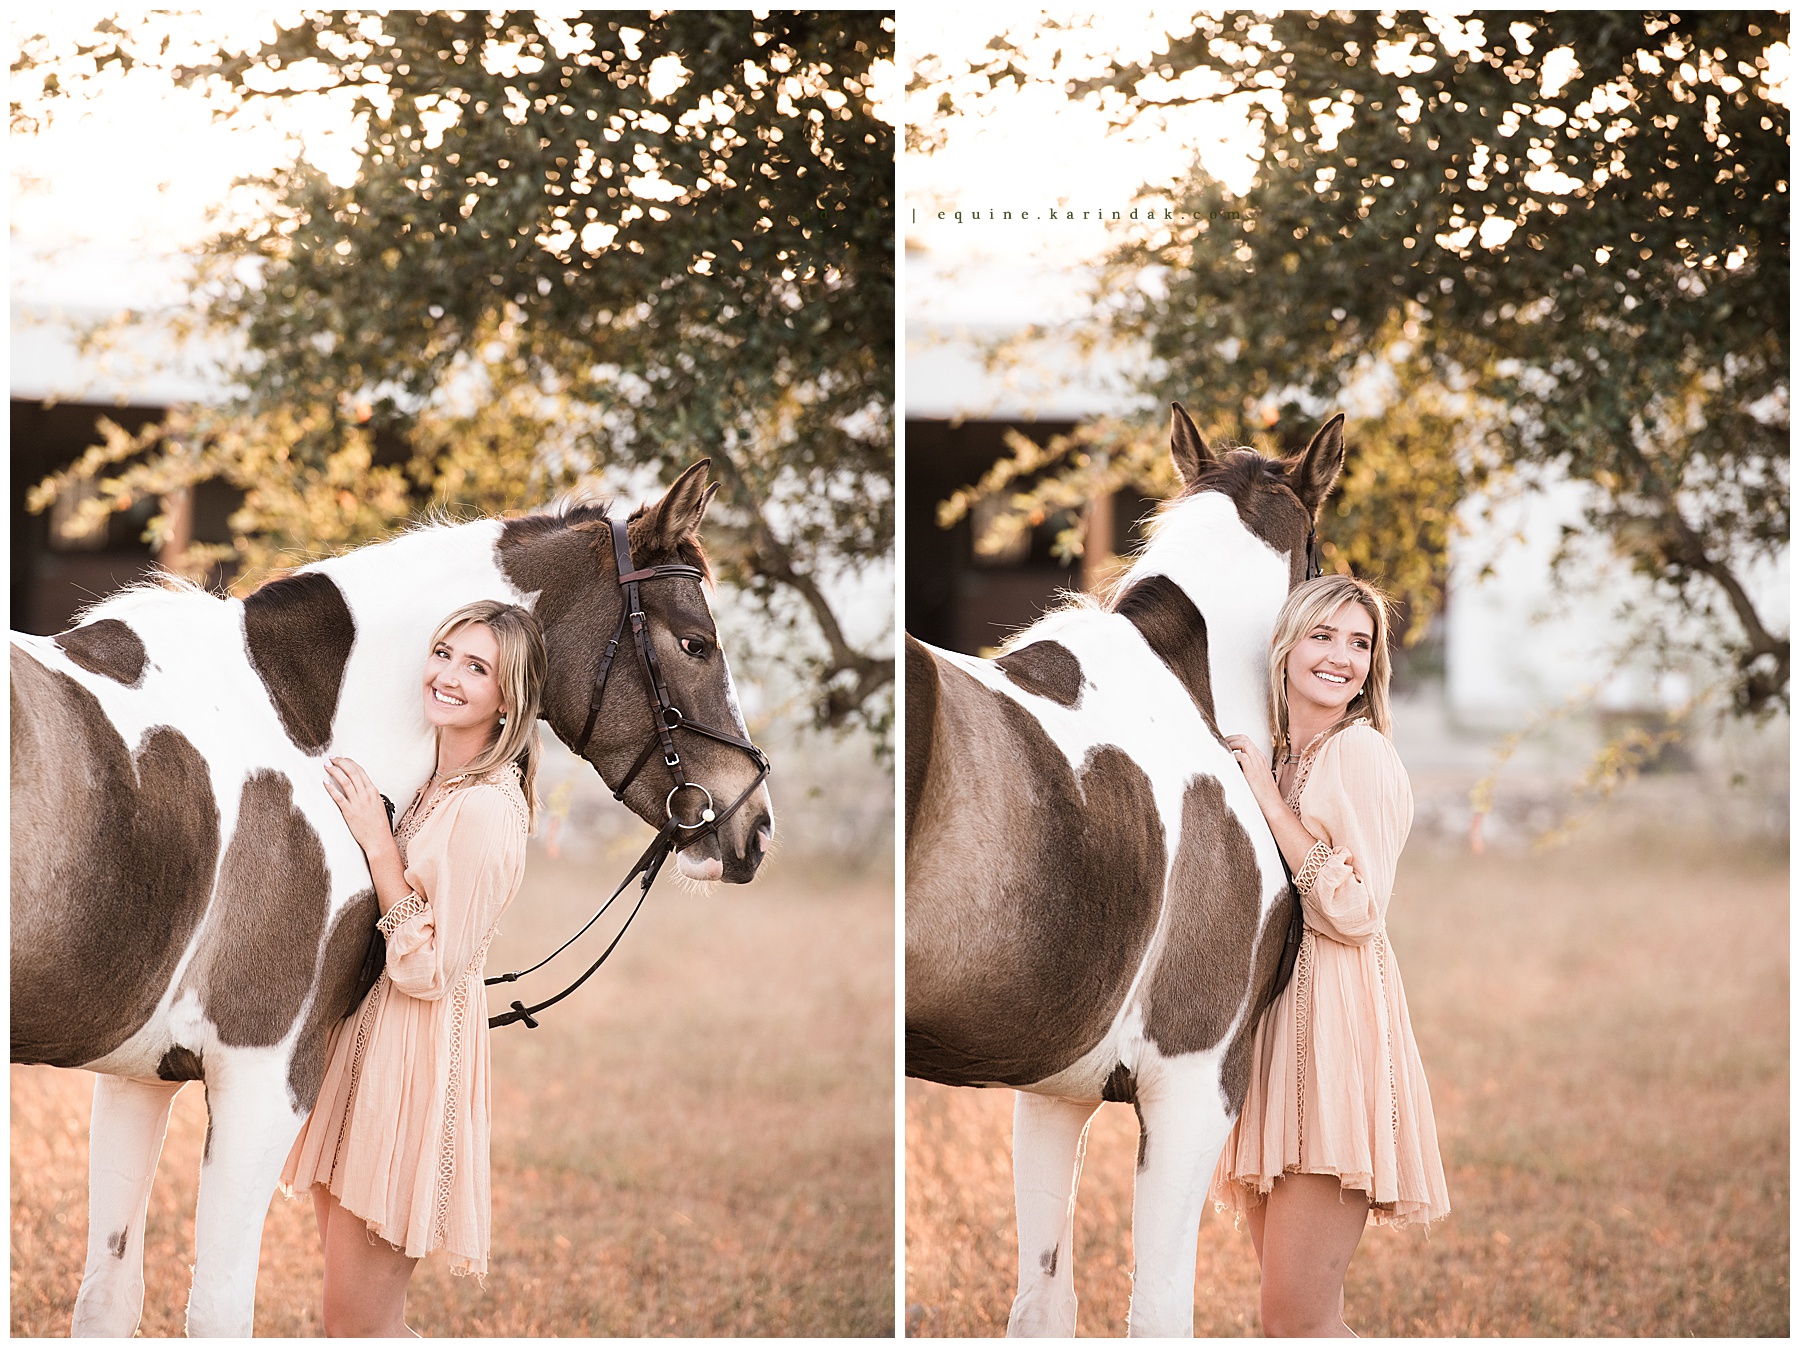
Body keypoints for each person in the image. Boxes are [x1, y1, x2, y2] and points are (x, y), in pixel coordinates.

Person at [282, 600, 547, 1337]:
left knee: (357, 1327)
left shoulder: (489, 810)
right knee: (355, 1317)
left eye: (477, 667)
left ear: (509, 700)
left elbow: (428, 967)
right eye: (444, 653)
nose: (449, 675)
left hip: (409, 1073)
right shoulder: (434, 783)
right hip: (363, 1060)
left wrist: (379, 844)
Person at [1216, 573, 1450, 1337]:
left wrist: (1273, 805)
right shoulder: (1284, 759)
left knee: (1293, 1324)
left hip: (1337, 1046)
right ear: (1285, 648)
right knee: (1299, 1322)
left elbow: (1355, 911)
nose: (1341, 657)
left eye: (1360, 643)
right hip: (1276, 1050)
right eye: (1324, 635)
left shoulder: (1362, 755)